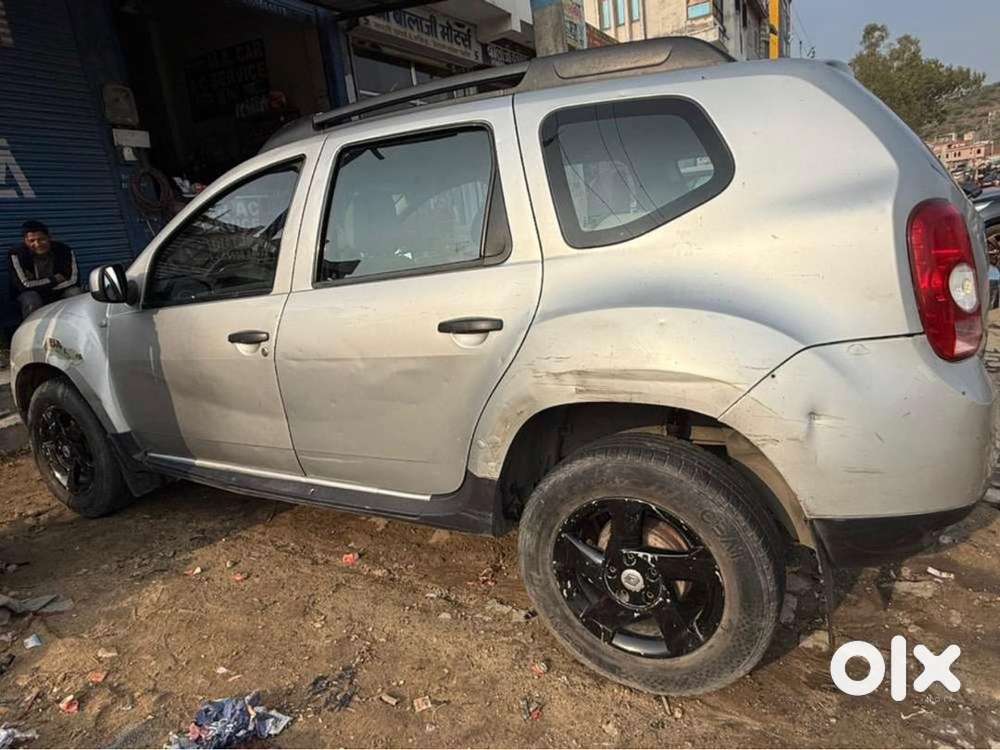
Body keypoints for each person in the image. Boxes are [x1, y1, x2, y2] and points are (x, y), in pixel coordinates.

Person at [7, 220, 80, 320]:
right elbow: (23, 285)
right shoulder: (16, 254)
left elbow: (73, 280)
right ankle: (32, 332)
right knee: (31, 299)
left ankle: (74, 325)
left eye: (41, 239)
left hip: (59, 291)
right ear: (25, 241)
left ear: (49, 237)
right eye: (31, 241)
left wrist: (45, 287)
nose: (37, 244)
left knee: (74, 292)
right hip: (30, 293)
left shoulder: (64, 250)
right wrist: (54, 280)